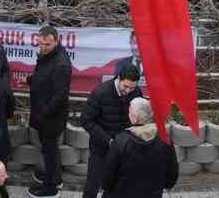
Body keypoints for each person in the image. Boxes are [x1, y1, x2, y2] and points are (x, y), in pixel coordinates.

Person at [80, 63, 141, 198]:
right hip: (101, 148)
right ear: (119, 78)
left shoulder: (136, 92)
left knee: (116, 186)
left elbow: (138, 118)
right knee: (92, 186)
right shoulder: (100, 92)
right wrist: (108, 140)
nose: (128, 91)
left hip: (123, 148)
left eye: (132, 87)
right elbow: (86, 120)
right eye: (125, 86)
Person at [102, 98, 179, 198]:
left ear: (135, 118)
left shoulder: (121, 141)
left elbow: (108, 177)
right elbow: (172, 175)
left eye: (129, 112)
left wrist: (108, 188)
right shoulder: (165, 139)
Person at [28, 26, 71, 198]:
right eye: (41, 44)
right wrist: (31, 80)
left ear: (56, 41)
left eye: (47, 44)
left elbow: (60, 95)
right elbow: (44, 78)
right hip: (44, 114)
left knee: (50, 151)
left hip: (50, 117)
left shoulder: (61, 64)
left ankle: (50, 188)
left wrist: (44, 112)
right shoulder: (48, 56)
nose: (43, 47)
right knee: (49, 150)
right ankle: (54, 178)